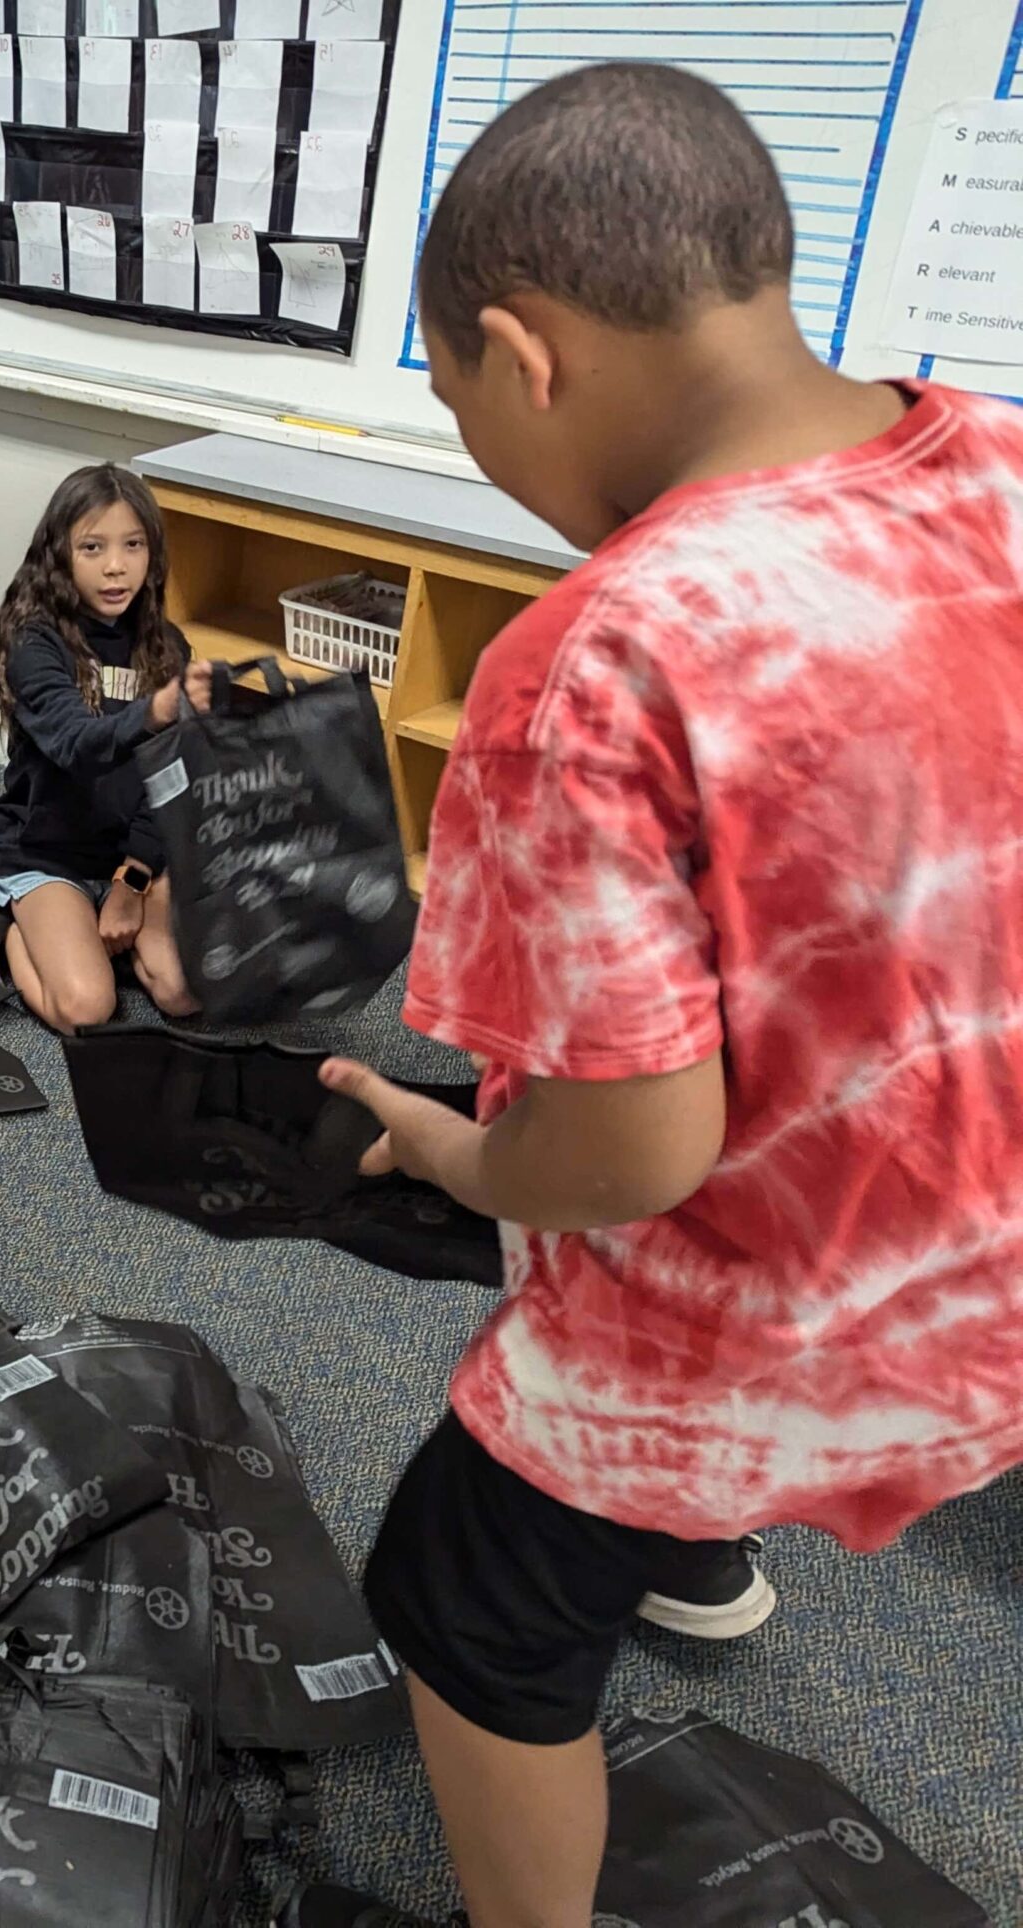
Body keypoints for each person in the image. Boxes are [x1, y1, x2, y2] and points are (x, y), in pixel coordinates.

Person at [289, 65, 1023, 1928]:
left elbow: (627, 1149)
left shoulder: (601, 653)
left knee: (462, 1593)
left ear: (522, 354)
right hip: (992, 1257)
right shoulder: (1004, 471)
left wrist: (467, 1158)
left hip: (793, 1309)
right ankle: (691, 1559)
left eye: (458, 404)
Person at [0, 463, 215, 1033]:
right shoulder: (35, 643)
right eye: (93, 547)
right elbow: (77, 744)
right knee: (86, 1010)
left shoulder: (166, 645)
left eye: (133, 545)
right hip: (48, 848)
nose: (115, 566)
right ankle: (17, 926)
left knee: (183, 995)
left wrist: (135, 876)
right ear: (59, 556)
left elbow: (174, 774)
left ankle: (103, 926)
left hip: (135, 848)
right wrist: (152, 713)